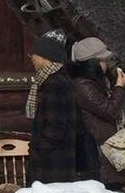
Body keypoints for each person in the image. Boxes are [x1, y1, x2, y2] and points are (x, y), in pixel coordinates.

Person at [25, 30, 94, 184]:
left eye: (33, 54)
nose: (31, 58)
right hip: (59, 159)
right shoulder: (57, 79)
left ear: (44, 56)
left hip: (53, 163)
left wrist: (38, 151)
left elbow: (55, 126)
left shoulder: (53, 84)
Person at [68, 37, 125, 188]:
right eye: (103, 61)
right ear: (92, 63)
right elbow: (109, 110)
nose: (106, 64)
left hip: (107, 147)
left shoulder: (91, 82)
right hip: (100, 152)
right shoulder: (83, 86)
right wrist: (119, 87)